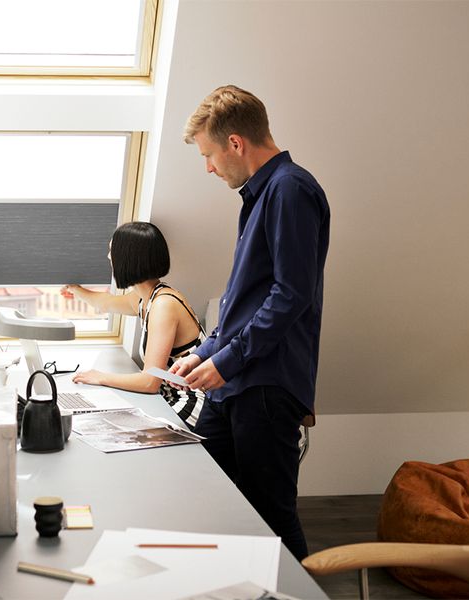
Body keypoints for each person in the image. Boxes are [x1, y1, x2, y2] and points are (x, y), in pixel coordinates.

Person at [172, 85, 330, 560]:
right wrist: (203, 351)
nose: (209, 167)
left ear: (236, 143)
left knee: (271, 516)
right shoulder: (260, 196)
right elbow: (246, 300)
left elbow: (291, 295)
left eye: (210, 155)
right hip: (238, 380)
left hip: (265, 383)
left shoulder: (290, 190)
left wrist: (227, 360)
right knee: (217, 500)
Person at [60, 221, 207, 429]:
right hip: (168, 398)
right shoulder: (143, 299)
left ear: (128, 258)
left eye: (112, 252)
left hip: (190, 406)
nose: (109, 257)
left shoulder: (164, 305)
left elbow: (150, 381)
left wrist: (100, 377)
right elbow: (105, 303)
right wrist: (76, 290)